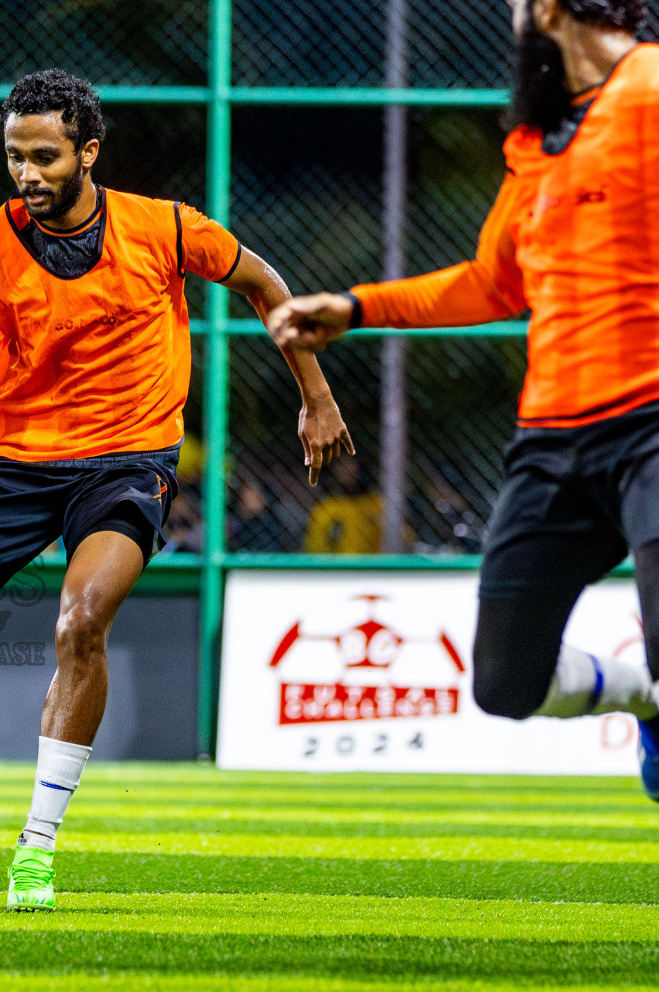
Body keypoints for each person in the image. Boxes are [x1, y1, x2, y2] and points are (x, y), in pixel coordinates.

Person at [0, 70, 353, 910]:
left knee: (81, 621)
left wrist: (317, 396)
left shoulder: (163, 228)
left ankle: (37, 846)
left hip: (128, 463)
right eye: (15, 156)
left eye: (44, 155)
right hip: (13, 464)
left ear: (88, 151)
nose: (27, 172)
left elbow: (267, 287)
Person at [269, 0, 659, 797]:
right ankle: (643, 701)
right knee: (503, 682)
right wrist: (357, 307)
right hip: (553, 442)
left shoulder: (651, 89)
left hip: (653, 424)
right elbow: (494, 282)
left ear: (548, 10)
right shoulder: (534, 142)